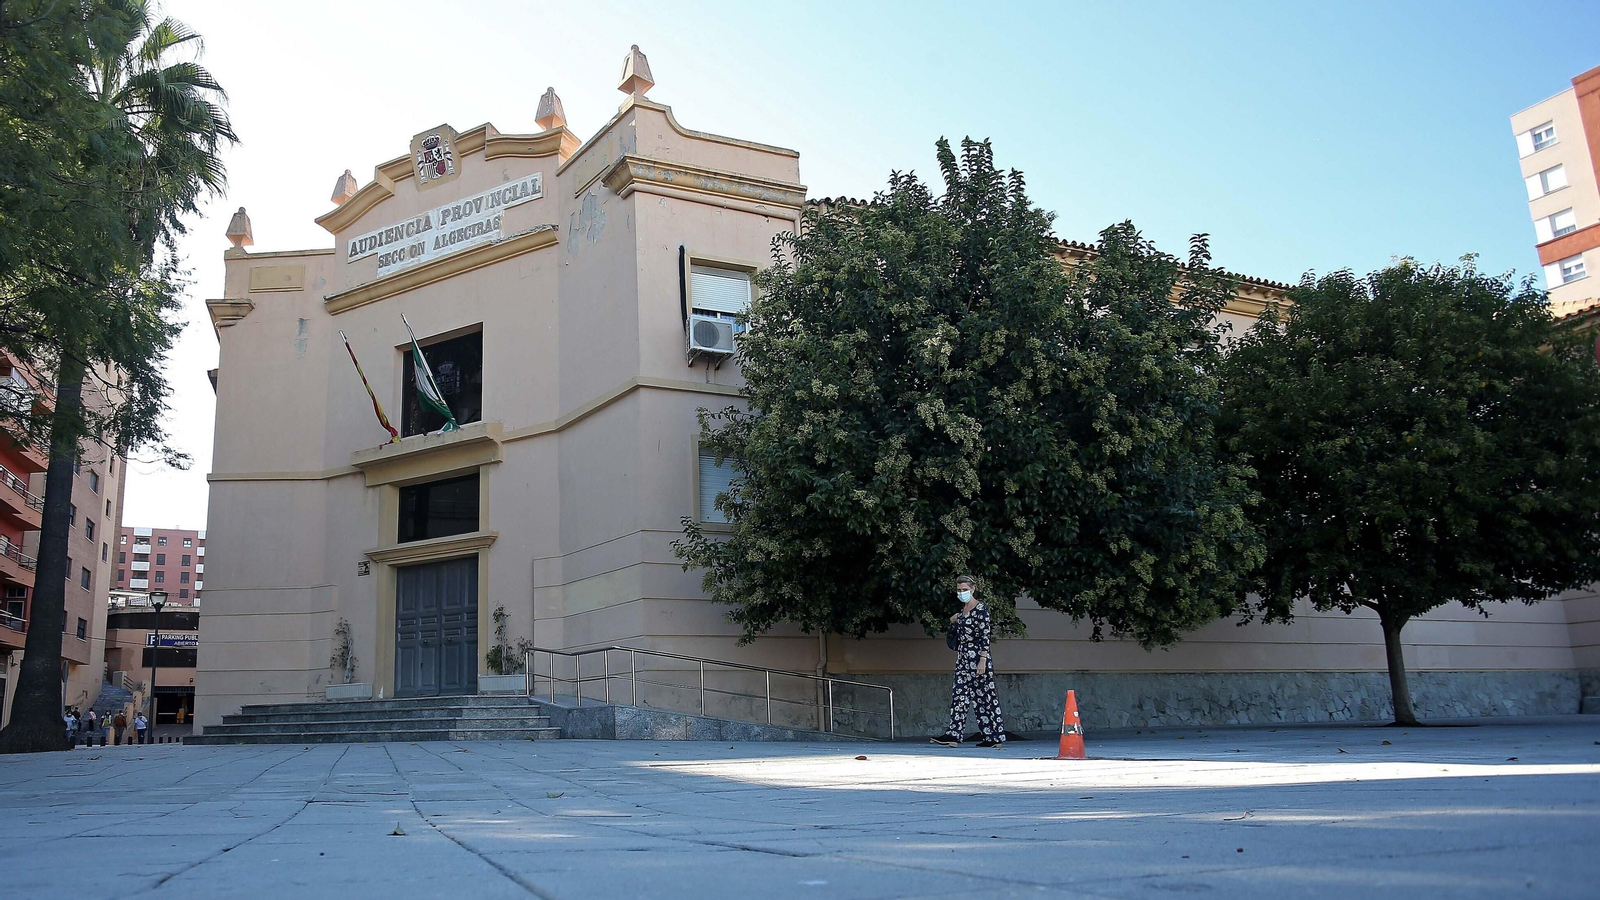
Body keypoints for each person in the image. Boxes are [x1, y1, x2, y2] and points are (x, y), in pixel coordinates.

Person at [931, 575, 1005, 748]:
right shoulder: (963, 611)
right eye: (959, 590)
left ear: (973, 589)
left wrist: (983, 660)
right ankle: (953, 734)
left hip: (978, 658)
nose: (962, 593)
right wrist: (955, 620)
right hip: (963, 659)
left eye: (965, 589)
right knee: (959, 696)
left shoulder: (981, 609)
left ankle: (993, 736)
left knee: (985, 698)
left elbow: (985, 636)